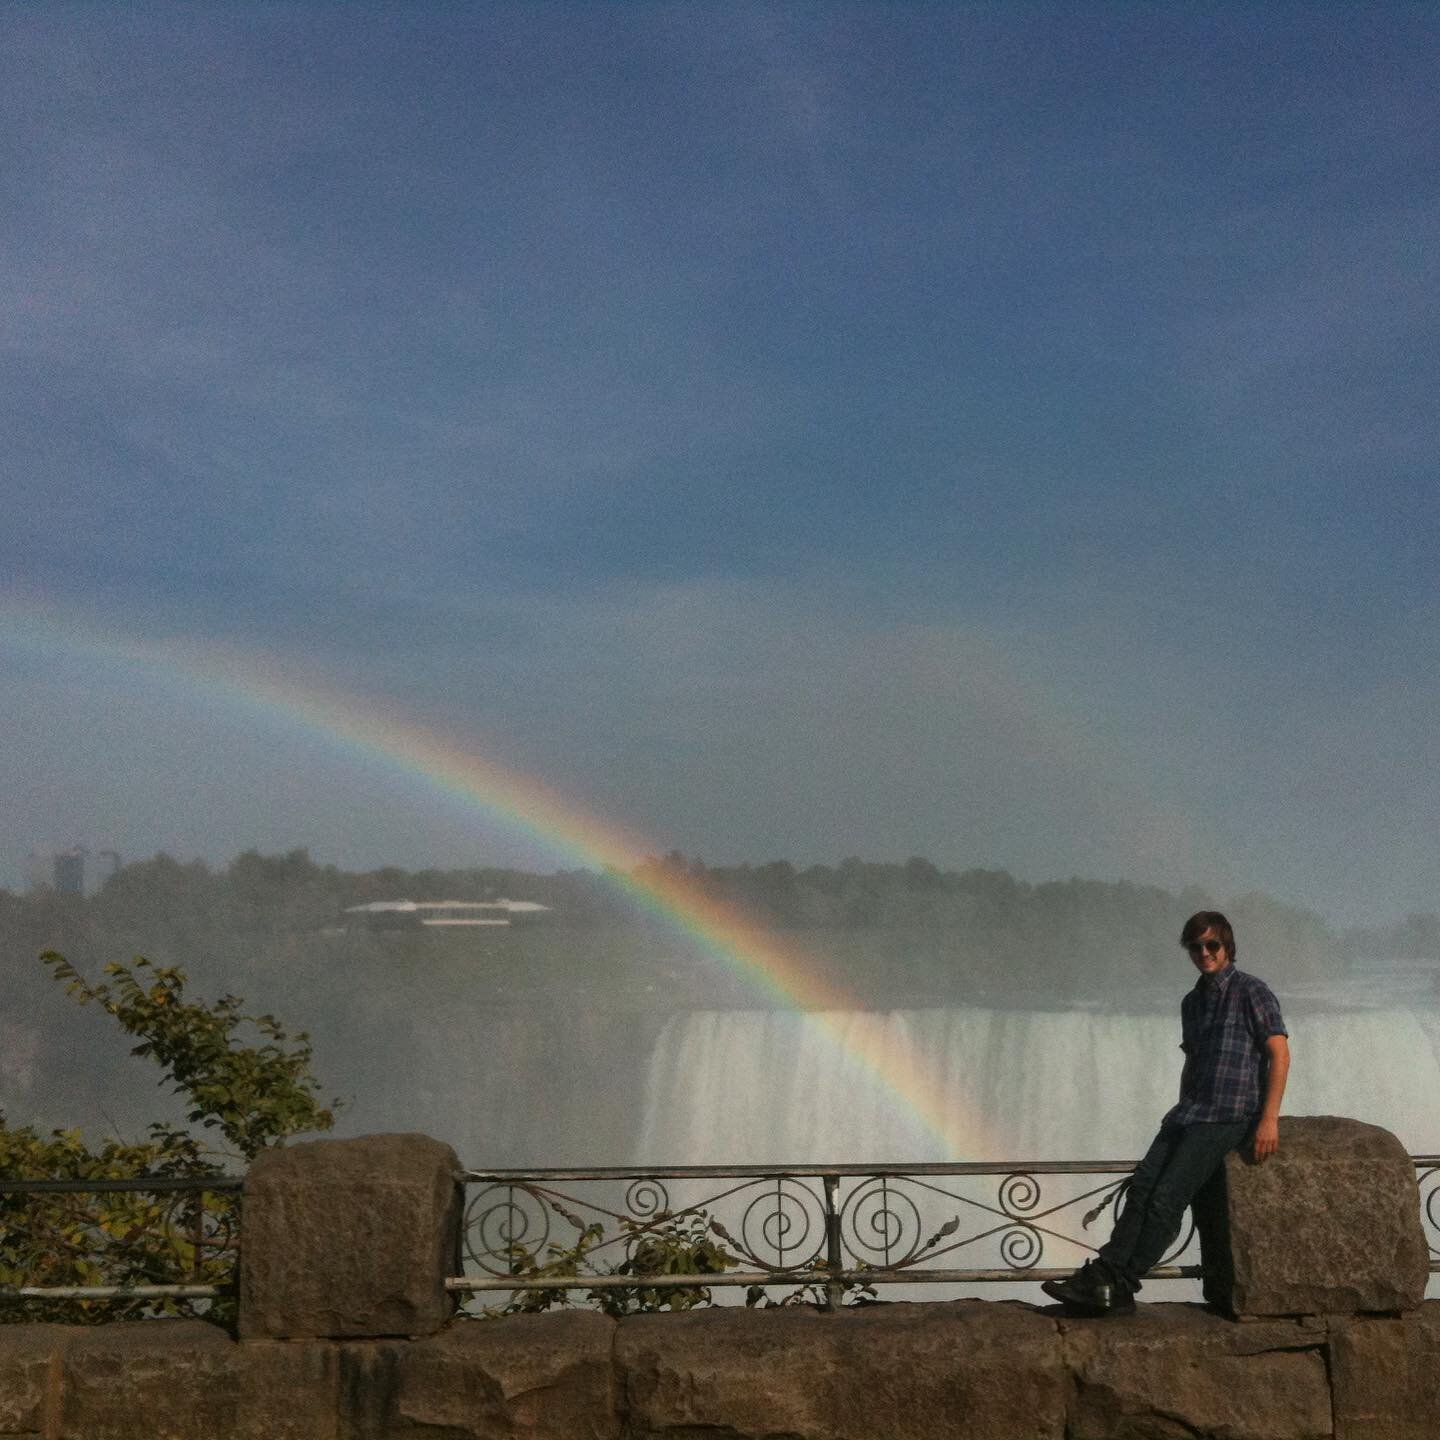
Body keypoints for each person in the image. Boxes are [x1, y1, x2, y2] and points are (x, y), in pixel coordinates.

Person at [1041, 910, 1290, 1316]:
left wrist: (1269, 1119)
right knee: (1141, 1190)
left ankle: (1118, 1283)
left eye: (1212, 945)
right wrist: (1179, 1107)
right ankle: (1106, 1279)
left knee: (1166, 1200)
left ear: (1228, 946)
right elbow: (1192, 1062)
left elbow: (1279, 1053)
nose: (1204, 953)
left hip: (1228, 1115)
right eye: (1196, 946)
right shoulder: (1192, 1003)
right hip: (1189, 1114)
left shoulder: (1252, 992)